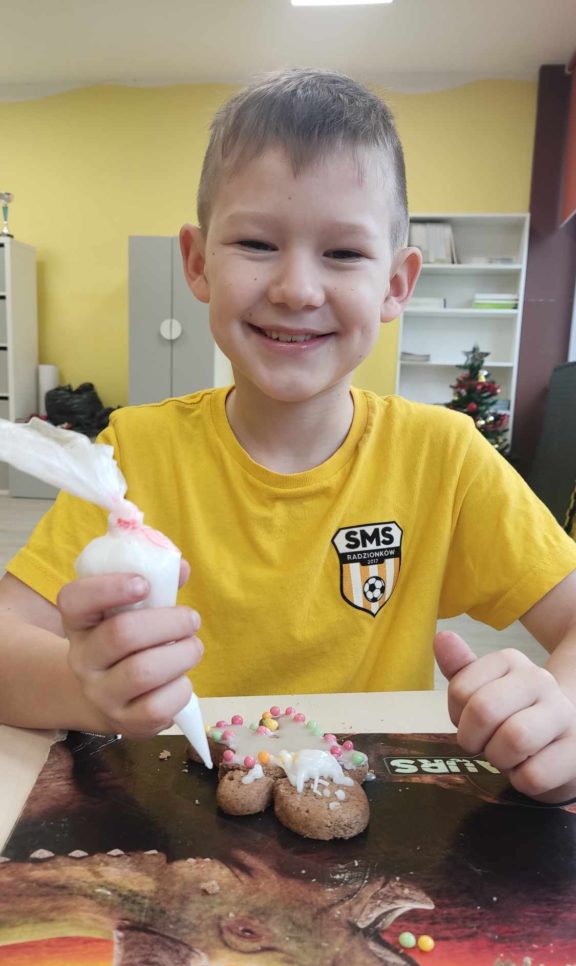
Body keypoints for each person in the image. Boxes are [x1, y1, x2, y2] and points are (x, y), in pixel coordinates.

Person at [1, 69, 576, 804]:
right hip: (176, 812)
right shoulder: (135, 453)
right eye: (256, 242)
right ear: (198, 263)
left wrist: (560, 711)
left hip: (368, 818)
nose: (297, 289)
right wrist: (86, 687)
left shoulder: (445, 457)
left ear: (397, 284)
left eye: (344, 253)